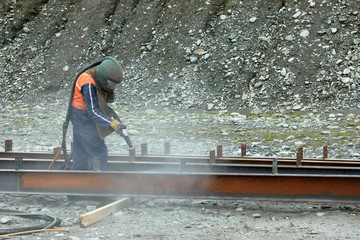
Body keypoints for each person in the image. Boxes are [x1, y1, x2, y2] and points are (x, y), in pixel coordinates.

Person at [70, 57, 126, 171]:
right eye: (111, 85)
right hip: (82, 117)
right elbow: (93, 112)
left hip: (80, 115)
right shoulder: (88, 83)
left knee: (82, 153)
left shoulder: (97, 74)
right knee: (99, 152)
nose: (112, 88)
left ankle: (77, 182)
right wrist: (113, 124)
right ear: (104, 79)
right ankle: (98, 184)